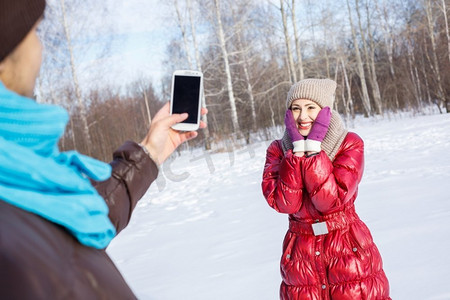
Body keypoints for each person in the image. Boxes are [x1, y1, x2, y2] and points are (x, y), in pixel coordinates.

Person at [0, 0, 206, 298]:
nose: (40, 48)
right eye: (35, 31)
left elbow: (73, 220)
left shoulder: (24, 179)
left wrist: (152, 150)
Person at [261, 78, 390, 299]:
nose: (302, 116)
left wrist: (313, 151)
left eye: (311, 107)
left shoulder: (349, 143)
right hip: (301, 256)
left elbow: (329, 201)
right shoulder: (277, 150)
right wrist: (296, 153)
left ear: (324, 112)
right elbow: (284, 203)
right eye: (296, 108)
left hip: (347, 247)